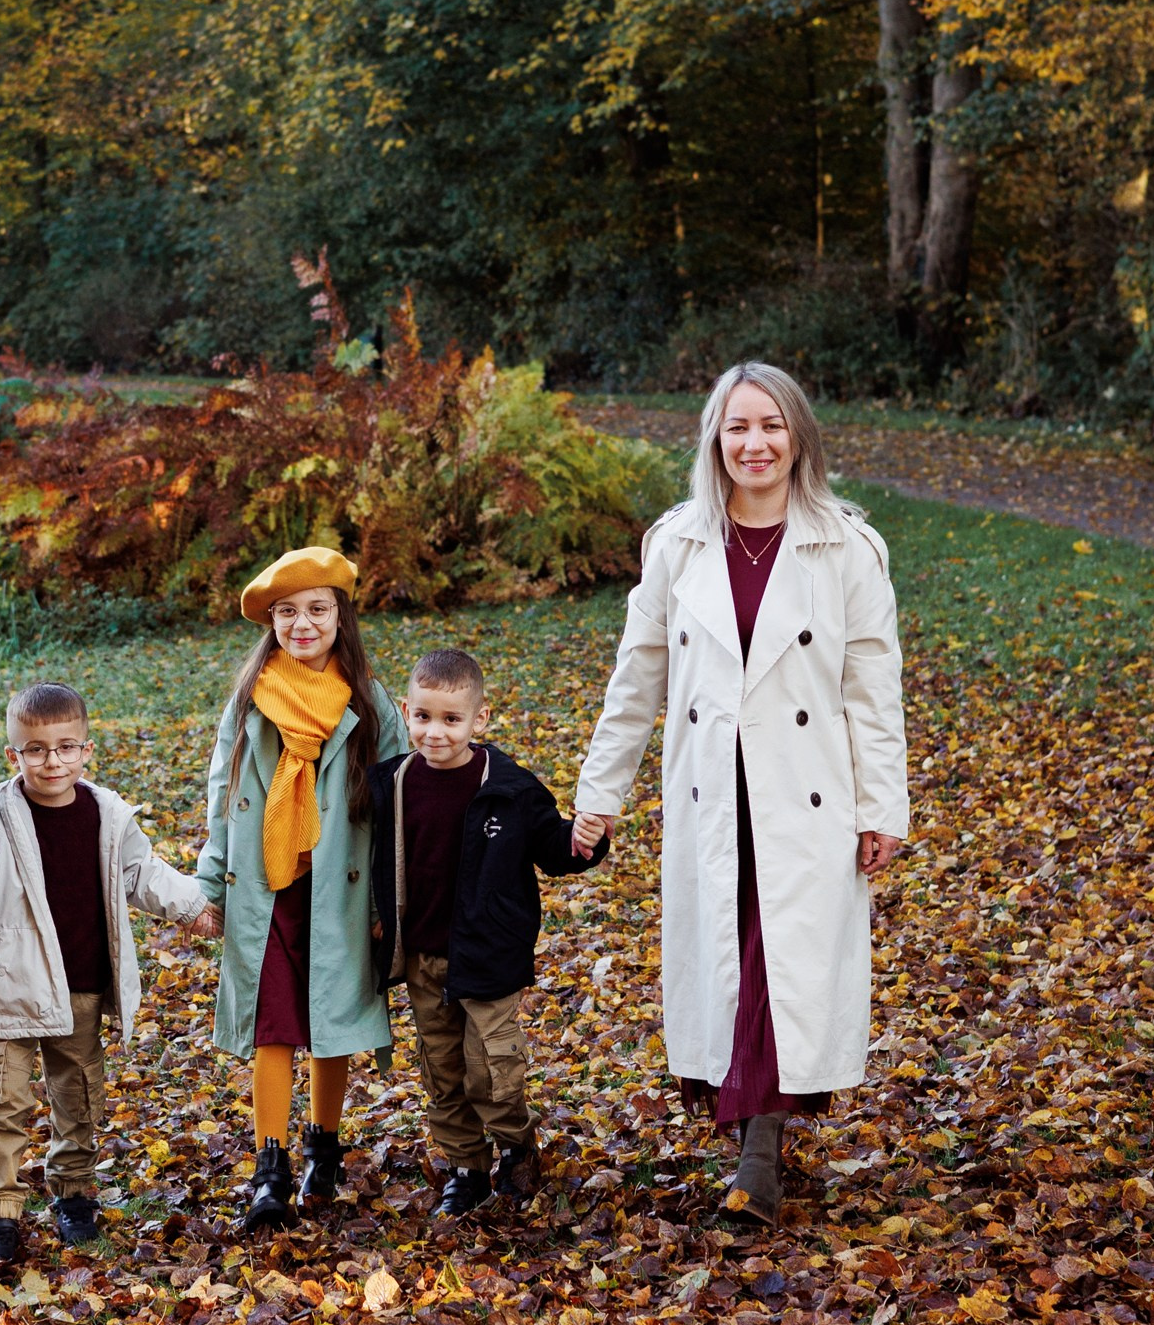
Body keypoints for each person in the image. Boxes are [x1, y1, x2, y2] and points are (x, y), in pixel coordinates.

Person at [571, 362, 907, 1229]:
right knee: (731, 957)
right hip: (708, 792)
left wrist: (883, 808)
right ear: (713, 441)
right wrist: (600, 792)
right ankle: (753, 1138)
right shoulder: (676, 543)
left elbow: (873, 687)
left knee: (775, 960)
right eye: (736, 428)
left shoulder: (847, 546)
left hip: (806, 798)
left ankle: (759, 1158)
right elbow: (637, 679)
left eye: (771, 427)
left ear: (799, 437)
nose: (754, 444)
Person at [0, 679, 222, 1269]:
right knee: (5, 1102)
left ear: (86, 749)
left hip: (81, 984)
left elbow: (145, 875)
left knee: (76, 1098)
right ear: (14, 755)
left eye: (66, 747)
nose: (52, 761)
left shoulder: (107, 815)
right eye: (36, 750)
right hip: (13, 989)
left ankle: (73, 1194)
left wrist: (196, 907)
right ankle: (0, 1206)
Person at [198, 545, 404, 1232]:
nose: (302, 624)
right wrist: (210, 879)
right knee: (272, 1027)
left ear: (340, 616)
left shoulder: (370, 703)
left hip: (341, 894)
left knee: (332, 1021)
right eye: (287, 613)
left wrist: (389, 901)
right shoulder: (252, 700)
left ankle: (324, 1146)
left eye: (317, 609)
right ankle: (270, 1166)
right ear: (272, 624)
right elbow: (223, 794)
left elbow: (400, 805)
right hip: (269, 887)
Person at [369, 646, 606, 1219]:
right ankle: (466, 1169)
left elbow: (555, 851)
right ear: (406, 710)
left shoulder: (510, 788)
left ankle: (517, 1149)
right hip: (425, 955)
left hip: (490, 958)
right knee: (443, 1071)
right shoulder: (391, 785)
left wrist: (585, 839)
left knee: (492, 1072)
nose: (435, 732)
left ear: (480, 720)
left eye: (452, 720)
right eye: (423, 717)